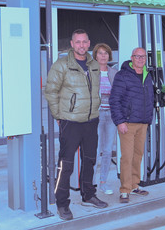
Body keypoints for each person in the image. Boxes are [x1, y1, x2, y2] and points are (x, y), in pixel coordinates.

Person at [45, 29, 107, 221]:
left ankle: (88, 194)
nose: (81, 45)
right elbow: (50, 91)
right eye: (77, 42)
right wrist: (59, 115)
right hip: (70, 122)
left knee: (90, 160)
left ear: (89, 44)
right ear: (72, 44)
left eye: (84, 42)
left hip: (91, 121)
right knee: (66, 164)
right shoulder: (62, 65)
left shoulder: (94, 65)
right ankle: (62, 203)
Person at [109, 47, 154, 203]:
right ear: (132, 58)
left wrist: (149, 118)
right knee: (127, 157)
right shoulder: (123, 76)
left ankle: (135, 185)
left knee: (138, 155)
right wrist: (120, 121)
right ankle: (125, 189)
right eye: (137, 56)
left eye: (143, 57)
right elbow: (114, 100)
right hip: (127, 123)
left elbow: (150, 99)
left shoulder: (147, 76)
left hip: (143, 123)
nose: (140, 59)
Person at [92, 43, 118, 195]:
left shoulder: (114, 73)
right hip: (96, 115)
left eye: (106, 53)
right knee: (95, 151)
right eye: (100, 53)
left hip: (111, 116)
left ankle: (103, 182)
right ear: (95, 55)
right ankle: (91, 184)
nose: (103, 56)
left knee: (107, 150)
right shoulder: (89, 72)